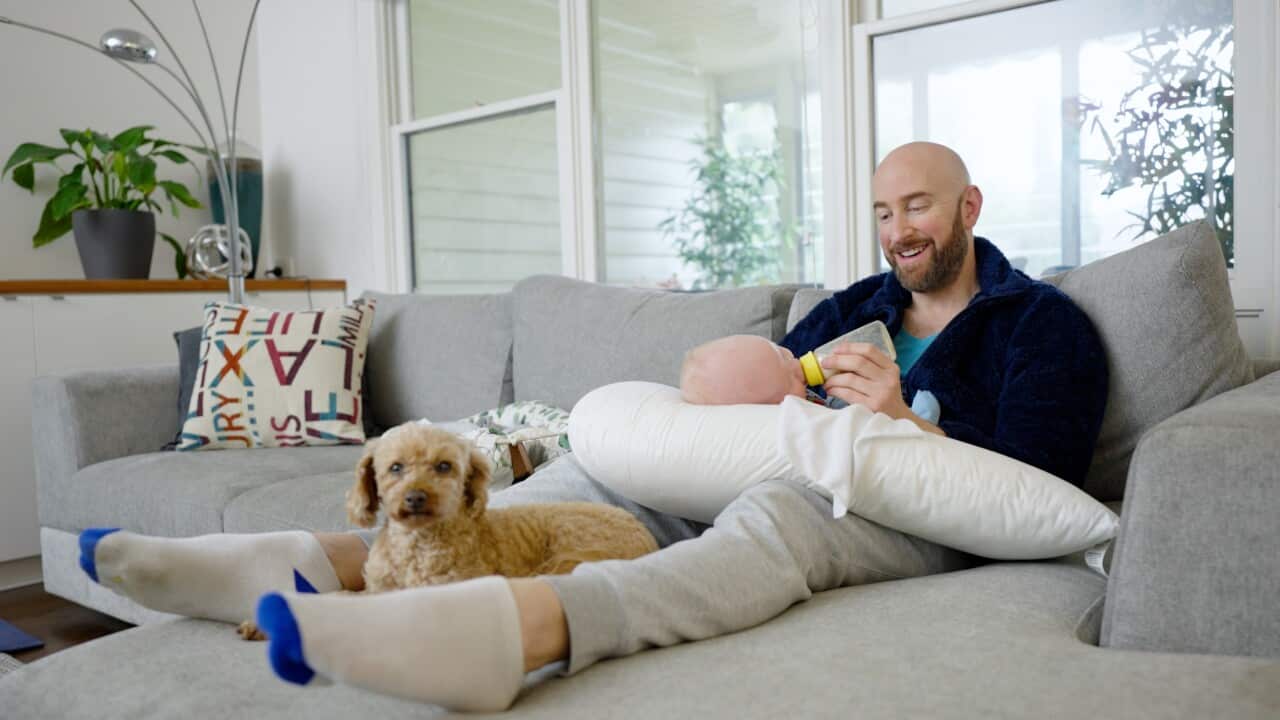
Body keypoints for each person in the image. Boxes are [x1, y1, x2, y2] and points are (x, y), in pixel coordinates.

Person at [77, 142, 1109, 712]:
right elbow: (746, 386)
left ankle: (517, 633)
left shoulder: (1038, 325)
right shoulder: (851, 306)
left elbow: (1037, 473)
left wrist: (900, 426)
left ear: (968, 203)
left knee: (775, 526)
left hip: (888, 506)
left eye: (916, 208)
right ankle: (296, 560)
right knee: (585, 491)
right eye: (882, 213)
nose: (897, 233)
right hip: (787, 453)